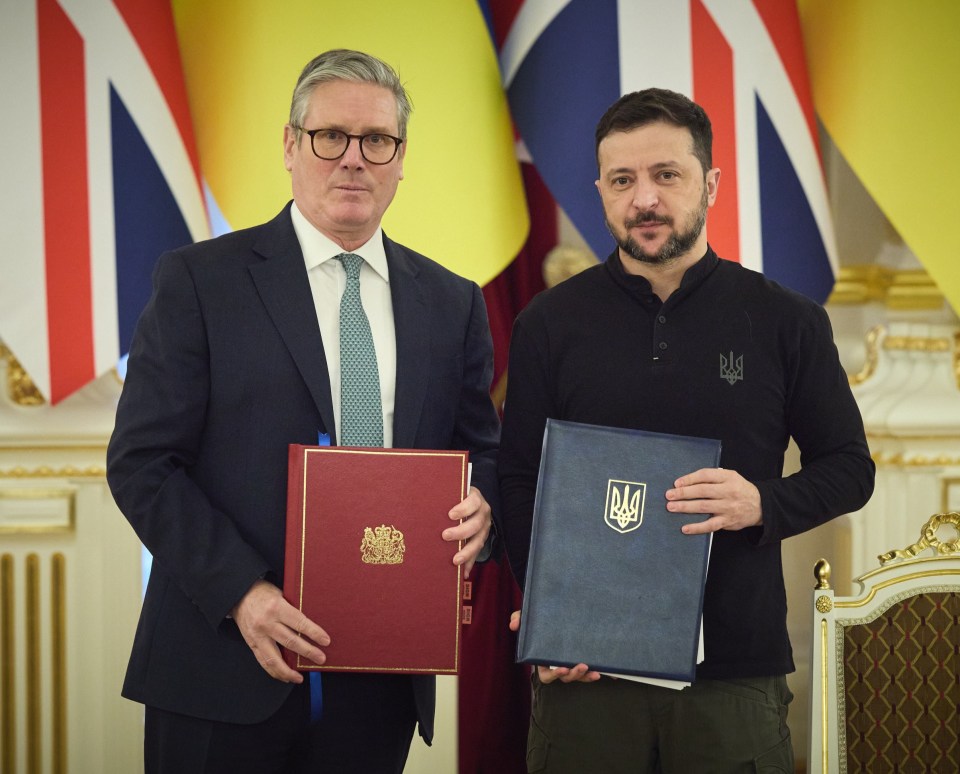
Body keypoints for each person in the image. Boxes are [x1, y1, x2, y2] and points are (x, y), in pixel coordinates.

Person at [107, 49, 500, 773]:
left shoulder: (452, 302)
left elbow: (483, 454)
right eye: (330, 136)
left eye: (376, 140)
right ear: (291, 145)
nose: (353, 158)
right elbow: (141, 464)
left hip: (379, 682)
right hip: (222, 663)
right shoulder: (200, 281)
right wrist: (243, 594)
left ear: (401, 158)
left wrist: (486, 505)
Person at [498, 88, 874, 773]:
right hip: (587, 676)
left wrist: (763, 503)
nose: (644, 199)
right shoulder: (547, 325)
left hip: (733, 677)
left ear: (710, 183)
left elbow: (850, 466)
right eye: (622, 180)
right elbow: (518, 481)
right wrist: (549, 618)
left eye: (666, 175)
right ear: (601, 192)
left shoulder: (786, 321)